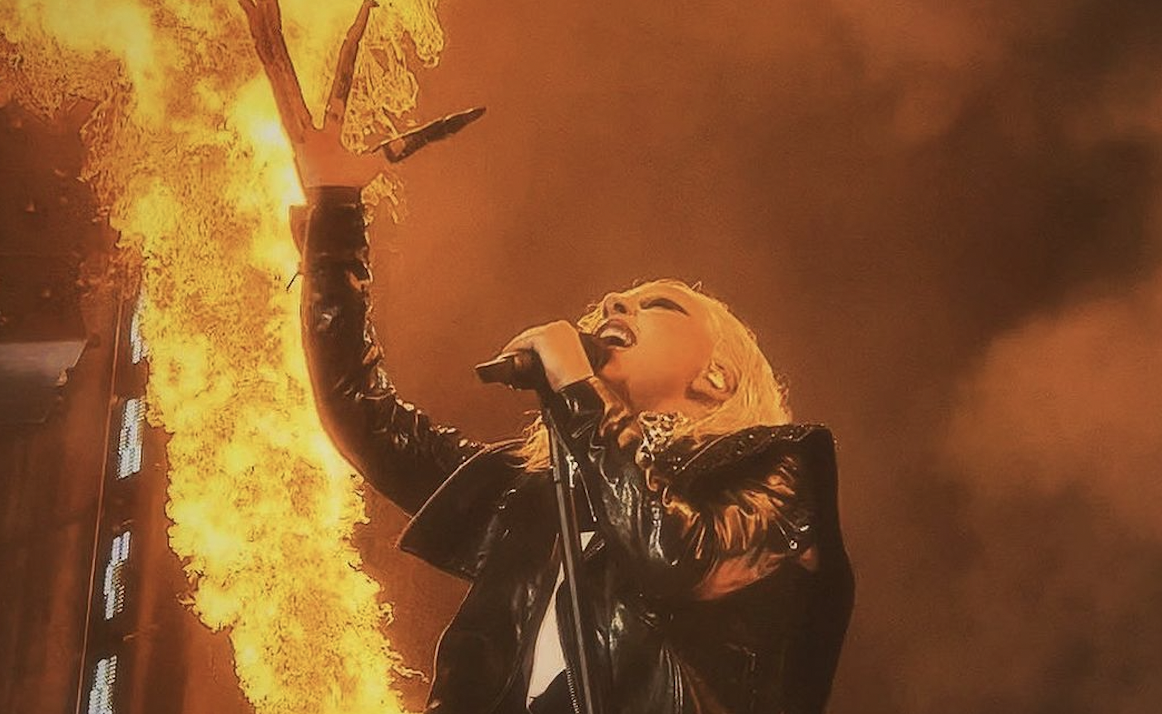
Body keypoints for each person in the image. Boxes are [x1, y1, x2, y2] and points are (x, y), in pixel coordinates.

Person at [249, 4, 854, 712]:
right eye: (613, 303)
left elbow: (676, 557)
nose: (614, 304)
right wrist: (335, 212)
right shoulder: (537, 488)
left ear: (717, 376)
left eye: (657, 305)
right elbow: (364, 417)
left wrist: (575, 391)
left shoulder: (784, 467)